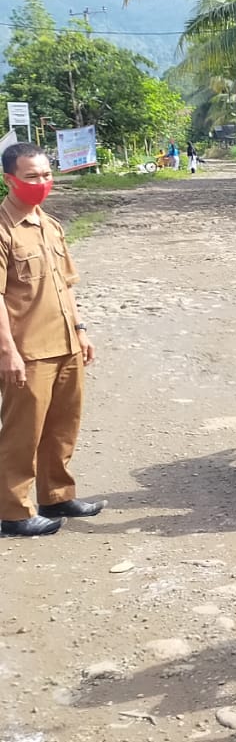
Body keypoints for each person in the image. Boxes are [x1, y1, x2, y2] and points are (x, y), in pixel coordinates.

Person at [0, 142, 105, 536]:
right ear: (10, 179)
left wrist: (80, 331)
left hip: (64, 345)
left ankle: (56, 495)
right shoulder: (3, 230)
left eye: (46, 175)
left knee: (63, 425)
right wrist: (7, 352)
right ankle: (12, 512)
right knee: (21, 433)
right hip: (26, 351)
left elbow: (66, 285)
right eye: (31, 176)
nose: (41, 183)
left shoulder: (50, 225)